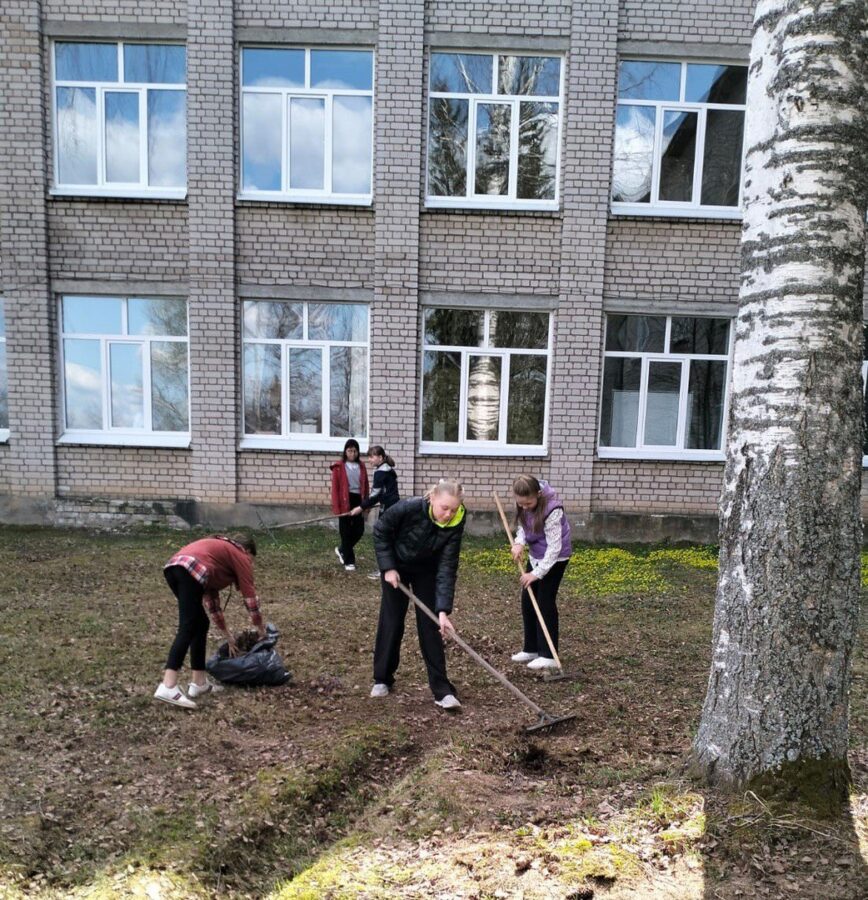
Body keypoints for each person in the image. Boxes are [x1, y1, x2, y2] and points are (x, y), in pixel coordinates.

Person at [369, 480, 466, 710]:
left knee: (431, 624)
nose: (448, 514)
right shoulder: (409, 508)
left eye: (453, 509)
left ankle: (441, 690)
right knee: (392, 620)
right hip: (398, 566)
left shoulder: (456, 521)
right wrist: (388, 567)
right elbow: (381, 531)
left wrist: (443, 610)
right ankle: (382, 678)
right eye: (444, 508)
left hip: (427, 571)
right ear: (432, 498)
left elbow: (447, 566)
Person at [155, 533, 266, 709]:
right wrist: (261, 628)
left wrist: (227, 635)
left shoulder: (217, 557)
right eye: (251, 560)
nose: (249, 564)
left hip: (175, 568)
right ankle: (168, 685)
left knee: (200, 623)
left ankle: (199, 683)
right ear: (247, 551)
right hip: (187, 569)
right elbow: (249, 596)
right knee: (189, 625)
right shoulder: (239, 554)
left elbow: (212, 604)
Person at [509, 475, 572, 671]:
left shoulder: (553, 509)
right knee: (528, 600)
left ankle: (549, 655)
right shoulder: (525, 504)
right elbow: (524, 526)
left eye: (528, 503)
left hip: (555, 558)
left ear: (538, 494)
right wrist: (519, 543)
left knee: (545, 602)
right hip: (537, 555)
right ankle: (532, 649)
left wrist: (537, 574)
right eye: (521, 503)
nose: (525, 507)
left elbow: (554, 547)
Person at [349, 445, 400, 579]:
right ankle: (390, 567)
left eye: (372, 457)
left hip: (388, 509)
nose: (370, 460)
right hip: (392, 507)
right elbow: (382, 493)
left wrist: (360, 508)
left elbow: (375, 495)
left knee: (383, 538)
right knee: (390, 538)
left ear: (381, 457)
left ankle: (384, 569)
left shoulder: (381, 472)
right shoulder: (387, 470)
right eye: (369, 457)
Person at [330, 438, 370, 572]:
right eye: (349, 451)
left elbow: (365, 485)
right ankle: (349, 560)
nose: (352, 454)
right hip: (344, 501)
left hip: (358, 500)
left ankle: (342, 550)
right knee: (345, 531)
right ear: (345, 452)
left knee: (359, 530)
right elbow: (335, 488)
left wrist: (366, 504)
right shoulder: (339, 467)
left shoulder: (362, 466)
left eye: (355, 451)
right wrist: (337, 507)